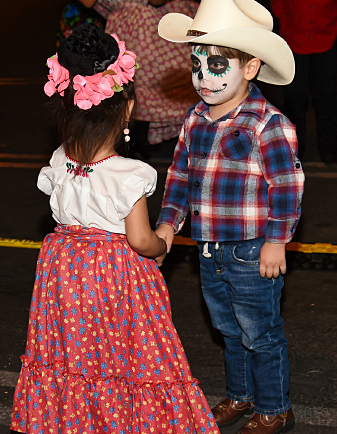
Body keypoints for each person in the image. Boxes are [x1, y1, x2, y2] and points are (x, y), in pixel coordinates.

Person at [10, 23, 220, 434]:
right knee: (126, 351)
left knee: (75, 351)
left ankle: (76, 418)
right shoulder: (128, 175)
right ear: (126, 111)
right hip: (112, 277)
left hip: (64, 272)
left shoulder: (58, 161)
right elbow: (139, 240)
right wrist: (163, 240)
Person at [155, 0, 305, 433]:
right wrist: (168, 222)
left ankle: (275, 407)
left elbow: (287, 186)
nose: (204, 76)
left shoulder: (268, 123)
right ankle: (241, 396)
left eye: (217, 65)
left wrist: (277, 241)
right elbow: (180, 174)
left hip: (252, 251)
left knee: (261, 333)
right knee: (228, 330)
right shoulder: (195, 118)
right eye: (196, 63)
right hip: (209, 247)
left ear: (251, 67)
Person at [270, 0, 337, 164]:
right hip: (294, 39)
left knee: (327, 97)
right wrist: (287, 21)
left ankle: (328, 148)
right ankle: (295, 148)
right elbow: (278, 4)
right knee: (294, 99)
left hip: (326, 39)